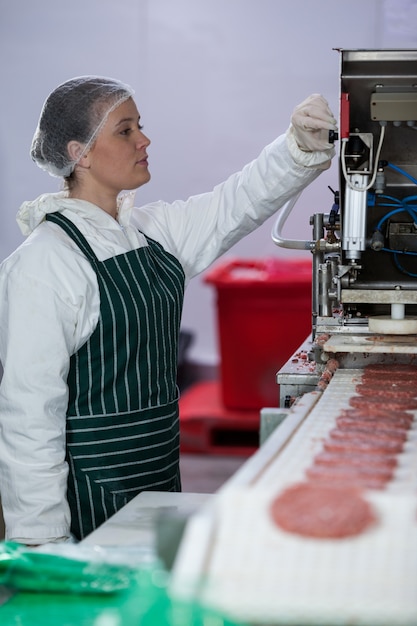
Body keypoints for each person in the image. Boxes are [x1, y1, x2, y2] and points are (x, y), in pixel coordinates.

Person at [0, 77, 337, 545]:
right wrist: (42, 541)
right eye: (125, 130)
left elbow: (233, 204)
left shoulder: (147, 232)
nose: (144, 139)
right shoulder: (44, 264)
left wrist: (296, 147)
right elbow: (27, 418)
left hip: (156, 478)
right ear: (79, 153)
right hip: (87, 501)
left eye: (140, 125)